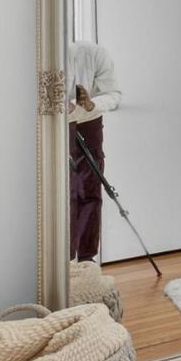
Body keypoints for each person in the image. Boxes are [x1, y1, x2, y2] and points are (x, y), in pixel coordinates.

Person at [68, 41, 121, 261]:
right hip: (54, 124)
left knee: (90, 191)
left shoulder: (94, 53)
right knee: (64, 192)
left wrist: (89, 104)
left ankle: (87, 258)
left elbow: (113, 95)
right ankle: (65, 259)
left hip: (89, 122)